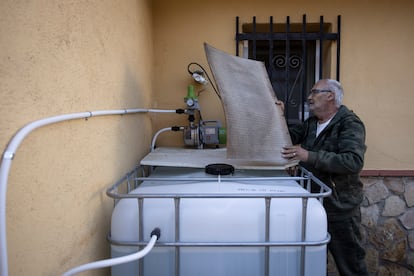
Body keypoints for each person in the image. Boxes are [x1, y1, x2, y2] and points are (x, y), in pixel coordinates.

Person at [279, 79, 368, 275]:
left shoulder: (349, 123)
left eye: (314, 92)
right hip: (312, 205)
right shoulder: (311, 123)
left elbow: (352, 161)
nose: (309, 97)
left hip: (339, 208)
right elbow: (286, 140)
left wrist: (308, 155)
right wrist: (278, 116)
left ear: (330, 95)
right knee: (313, 263)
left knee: (350, 266)